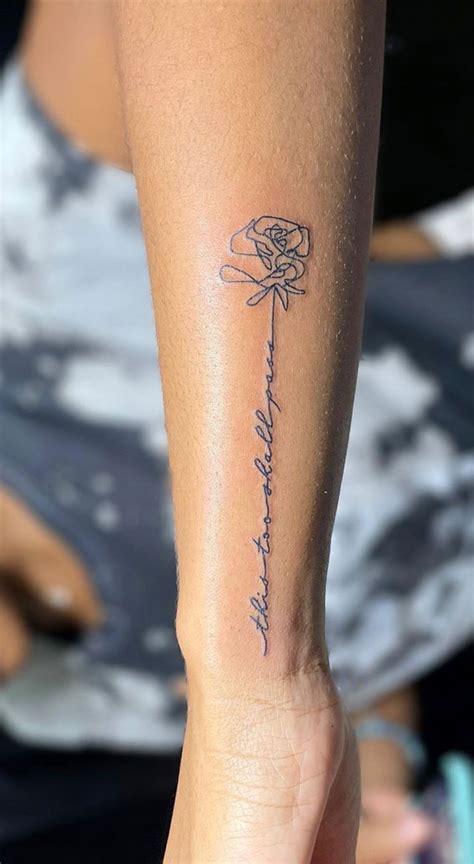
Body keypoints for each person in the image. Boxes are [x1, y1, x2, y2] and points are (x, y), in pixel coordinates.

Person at [2, 1, 471, 861]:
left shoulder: (26, 292)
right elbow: (367, 667)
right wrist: (376, 779)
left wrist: (254, 679)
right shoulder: (70, 699)